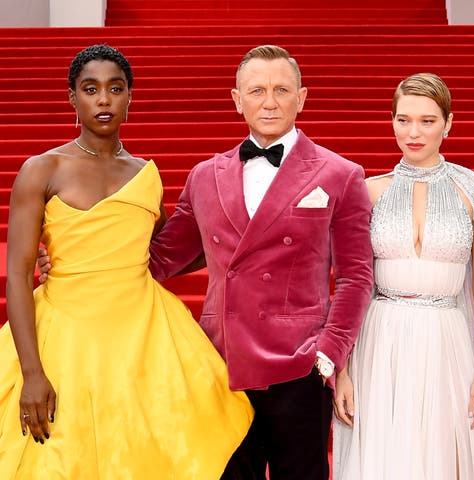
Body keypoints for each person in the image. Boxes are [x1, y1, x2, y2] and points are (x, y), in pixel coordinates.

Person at [0, 44, 253, 479]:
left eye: (115, 89)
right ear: (72, 97)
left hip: (145, 337)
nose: (103, 100)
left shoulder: (144, 174)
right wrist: (32, 372)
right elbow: (20, 274)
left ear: (129, 97)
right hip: (65, 336)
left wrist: (239, 247)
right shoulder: (42, 169)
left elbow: (168, 253)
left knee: (145, 454)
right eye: (91, 89)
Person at [145, 45, 373, 479]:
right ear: (237, 99)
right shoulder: (204, 176)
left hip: (299, 366)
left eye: (281, 90)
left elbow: (356, 276)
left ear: (302, 97)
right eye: (257, 91)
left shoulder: (339, 174)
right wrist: (77, 252)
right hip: (221, 363)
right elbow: (162, 259)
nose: (269, 102)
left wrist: (328, 355)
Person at [332, 73, 474, 479]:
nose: (414, 132)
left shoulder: (473, 189)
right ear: (391, 121)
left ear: (448, 123)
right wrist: (342, 370)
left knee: (446, 456)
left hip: (448, 340)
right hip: (379, 342)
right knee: (384, 456)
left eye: (428, 121)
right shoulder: (366, 190)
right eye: (403, 119)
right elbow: (348, 283)